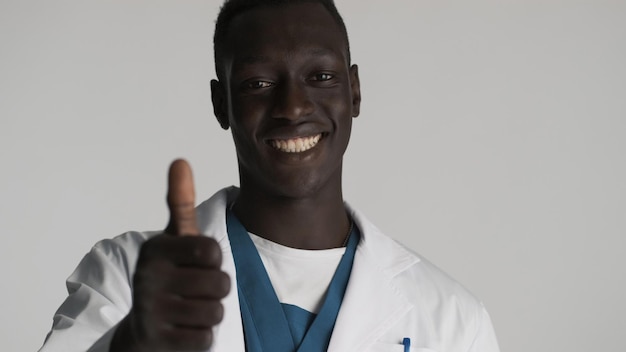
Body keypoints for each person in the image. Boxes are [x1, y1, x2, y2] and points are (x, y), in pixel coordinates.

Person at [39, 0, 501, 351]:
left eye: (320, 76)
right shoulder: (127, 275)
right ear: (222, 104)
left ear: (354, 91)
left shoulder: (453, 320)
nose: (293, 107)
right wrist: (130, 343)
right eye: (258, 83)